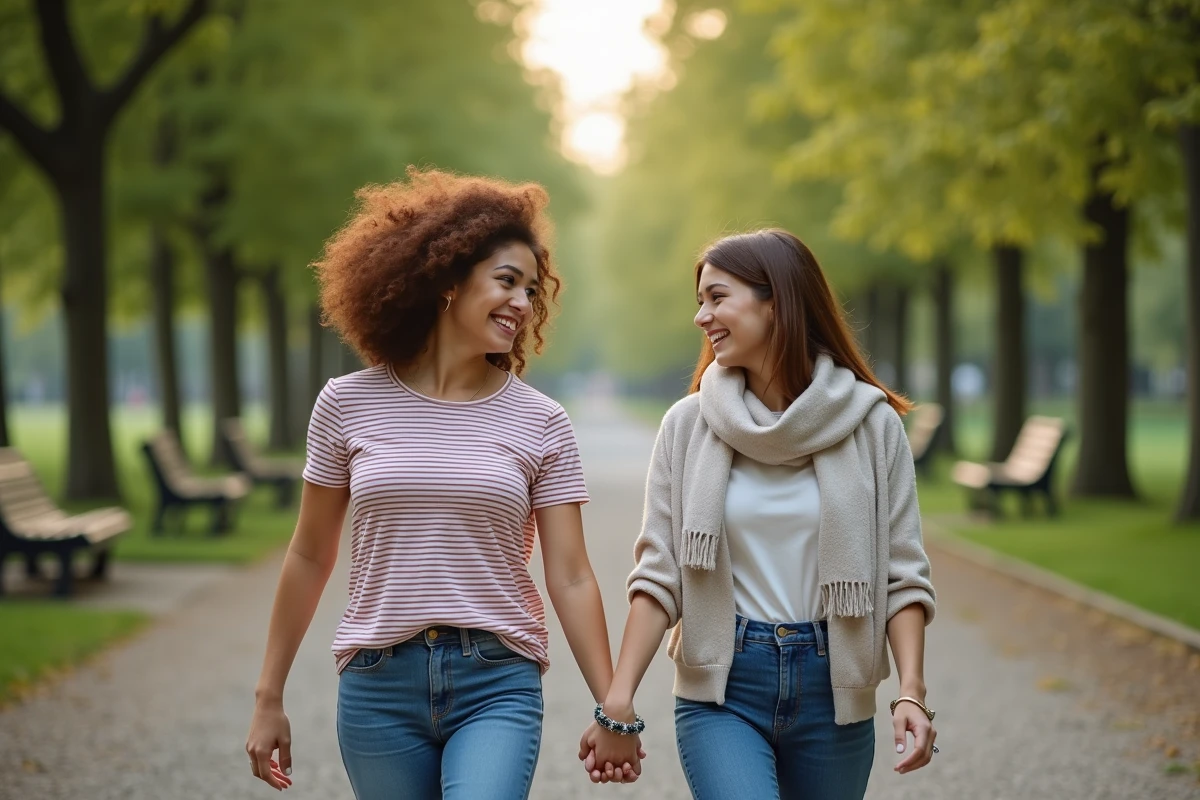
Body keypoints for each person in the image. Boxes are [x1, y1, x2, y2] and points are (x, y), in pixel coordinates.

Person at [246, 168, 638, 799]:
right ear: (448, 281)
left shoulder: (542, 421)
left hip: (497, 680)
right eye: (506, 281)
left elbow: (570, 575)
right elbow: (309, 554)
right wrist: (269, 696)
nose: (522, 303)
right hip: (377, 684)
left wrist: (612, 708)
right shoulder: (345, 404)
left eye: (531, 290)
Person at [579, 228, 938, 798]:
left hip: (834, 690)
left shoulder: (872, 425)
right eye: (700, 300)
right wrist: (617, 701)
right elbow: (659, 575)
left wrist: (910, 693)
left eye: (717, 297)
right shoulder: (688, 425)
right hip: (723, 690)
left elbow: (903, 575)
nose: (701, 316)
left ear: (776, 302)